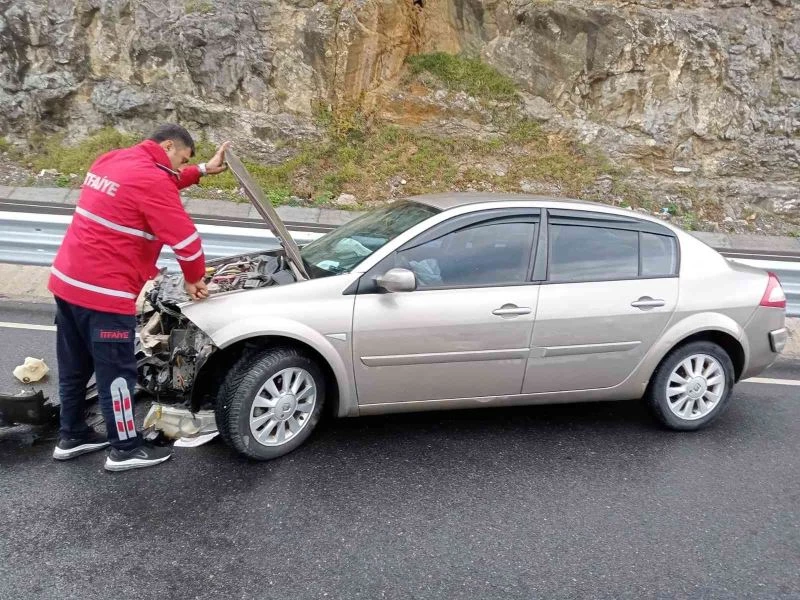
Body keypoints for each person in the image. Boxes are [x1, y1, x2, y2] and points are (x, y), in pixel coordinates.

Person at [48, 124, 230, 472]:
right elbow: (187, 242)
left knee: (74, 367)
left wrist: (202, 170)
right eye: (182, 159)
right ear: (168, 146)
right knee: (116, 373)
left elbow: (157, 183)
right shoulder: (152, 180)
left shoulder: (113, 160)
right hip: (104, 294)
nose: (180, 167)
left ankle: (71, 435)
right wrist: (193, 280)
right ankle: (125, 449)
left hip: (67, 282)